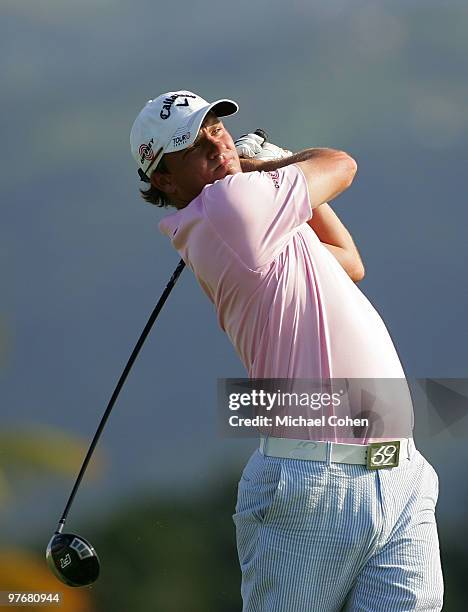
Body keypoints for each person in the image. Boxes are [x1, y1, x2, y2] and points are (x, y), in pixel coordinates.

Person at [130, 90, 443, 611]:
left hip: (398, 474)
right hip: (313, 486)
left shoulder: (255, 217)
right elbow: (341, 165)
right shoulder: (233, 205)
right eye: (192, 142)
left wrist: (268, 174)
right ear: (164, 179)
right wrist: (270, 161)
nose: (215, 141)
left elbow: (348, 261)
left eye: (214, 126)